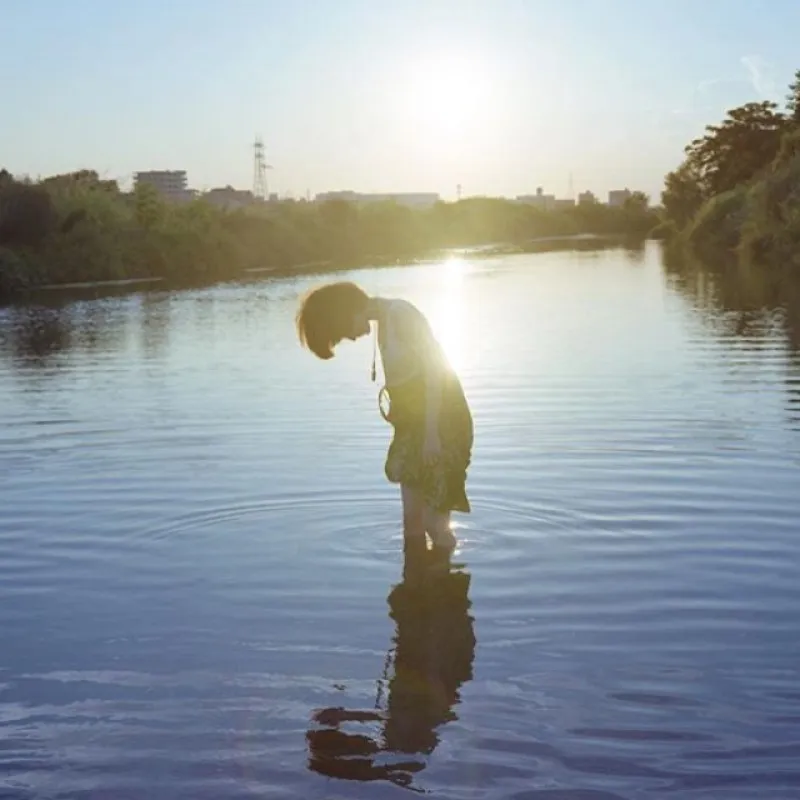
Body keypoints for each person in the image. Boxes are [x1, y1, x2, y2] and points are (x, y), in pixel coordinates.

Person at [296, 280, 473, 549]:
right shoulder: (383, 323)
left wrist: (431, 436)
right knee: (412, 526)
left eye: (343, 332)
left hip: (442, 424)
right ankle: (415, 584)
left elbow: (438, 372)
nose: (351, 338)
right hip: (414, 427)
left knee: (433, 523)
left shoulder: (402, 315)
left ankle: (446, 585)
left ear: (347, 311)